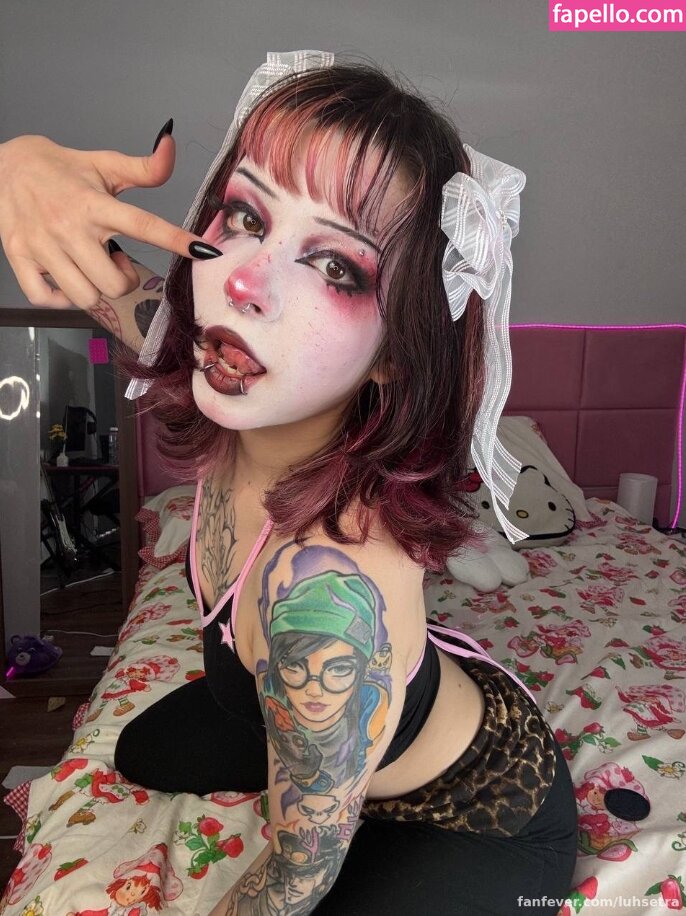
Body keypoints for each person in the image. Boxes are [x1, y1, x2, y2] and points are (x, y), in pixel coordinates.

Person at [0, 50, 578, 915]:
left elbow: (292, 880)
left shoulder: (326, 590)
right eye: (245, 216)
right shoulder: (224, 359)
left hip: (477, 810)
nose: (242, 281)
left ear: (393, 357)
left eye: (336, 267)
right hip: (325, 714)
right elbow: (90, 260)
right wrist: (15, 164)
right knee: (136, 754)